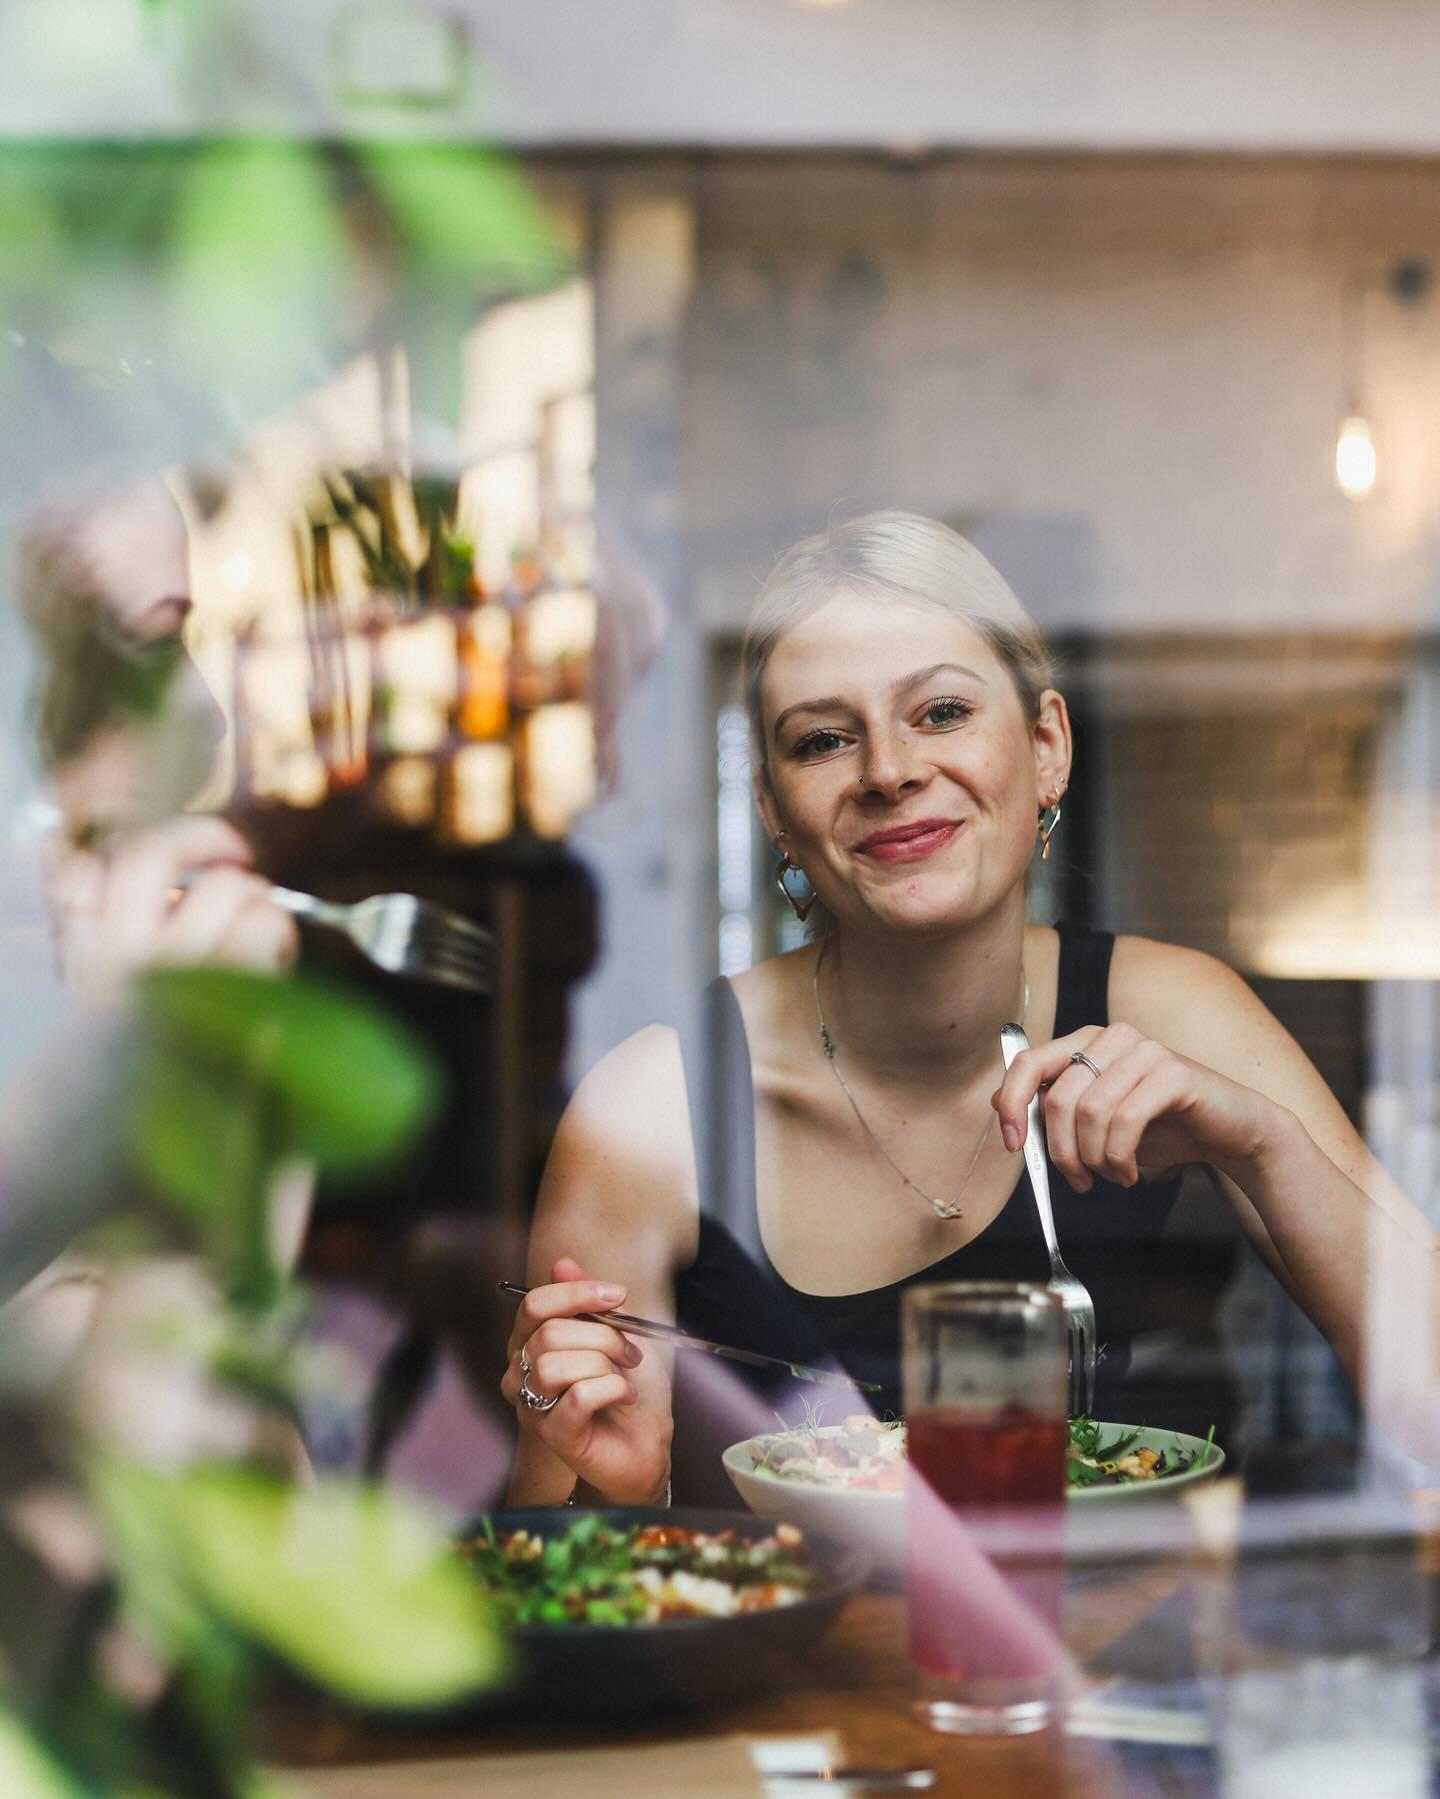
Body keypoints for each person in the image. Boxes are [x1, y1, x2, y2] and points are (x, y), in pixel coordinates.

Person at [501, 510, 1440, 1507]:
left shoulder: (1171, 1009)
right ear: (775, 812)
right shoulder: (653, 1105)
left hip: (1106, 1660)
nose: (891, 770)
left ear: (1045, 748)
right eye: (823, 738)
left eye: (941, 711)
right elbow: (557, 1590)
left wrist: (1270, 1146)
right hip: (783, 1667)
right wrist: (601, 1475)